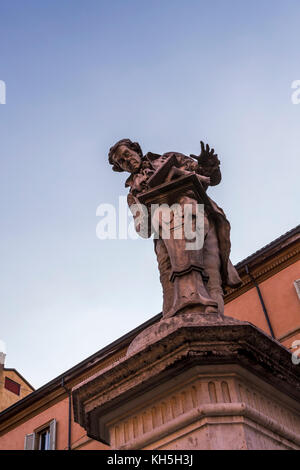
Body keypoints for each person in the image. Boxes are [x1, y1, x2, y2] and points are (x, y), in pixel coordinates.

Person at [108, 139, 241, 316]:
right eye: (121, 162)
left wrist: (208, 165)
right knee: (171, 288)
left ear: (136, 150)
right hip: (164, 237)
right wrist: (147, 204)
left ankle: (214, 321)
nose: (126, 161)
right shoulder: (133, 194)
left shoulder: (168, 159)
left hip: (199, 217)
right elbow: (143, 229)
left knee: (211, 277)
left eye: (127, 155)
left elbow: (209, 178)